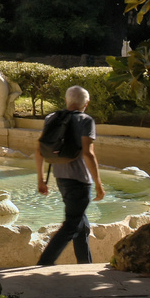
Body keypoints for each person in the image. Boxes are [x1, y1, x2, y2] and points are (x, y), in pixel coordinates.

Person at [35, 85, 104, 265]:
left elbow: (39, 150)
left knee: (82, 226)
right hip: (80, 180)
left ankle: (85, 265)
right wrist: (98, 182)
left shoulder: (51, 118)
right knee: (72, 224)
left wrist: (41, 179)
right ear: (86, 103)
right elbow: (88, 154)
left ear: (67, 100)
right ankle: (44, 262)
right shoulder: (85, 120)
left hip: (61, 178)